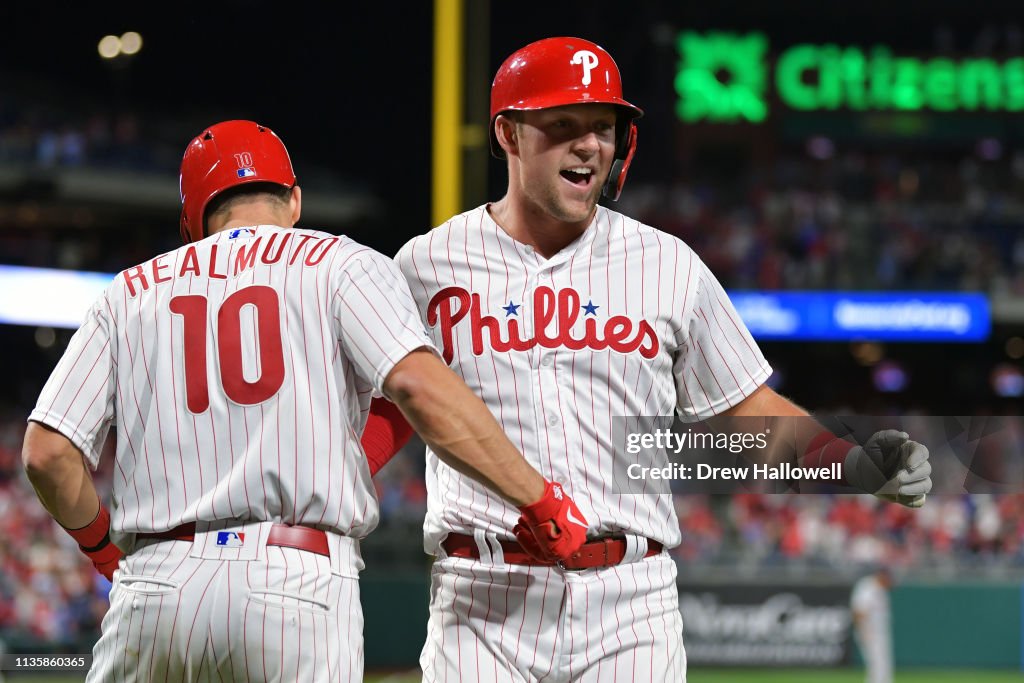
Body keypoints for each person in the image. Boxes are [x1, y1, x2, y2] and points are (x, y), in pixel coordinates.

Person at [363, 37, 933, 681]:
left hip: (629, 606)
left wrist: (853, 464)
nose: (589, 145)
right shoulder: (424, 265)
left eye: (603, 127)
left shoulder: (668, 266)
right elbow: (391, 411)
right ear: (509, 134)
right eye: (562, 126)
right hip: (481, 599)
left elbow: (748, 415)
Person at [20, 120, 590, 682]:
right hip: (295, 581)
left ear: (190, 221)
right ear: (294, 201)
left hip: (156, 586)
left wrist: (100, 547)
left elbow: (46, 453)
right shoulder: (341, 263)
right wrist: (538, 499)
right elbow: (418, 388)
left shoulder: (128, 291)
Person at [851, 567, 894, 683]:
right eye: (888, 578)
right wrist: (864, 631)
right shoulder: (867, 587)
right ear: (882, 576)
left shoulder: (881, 589)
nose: (890, 582)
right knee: (877, 666)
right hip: (870, 632)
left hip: (880, 632)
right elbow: (859, 611)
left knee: (883, 665)